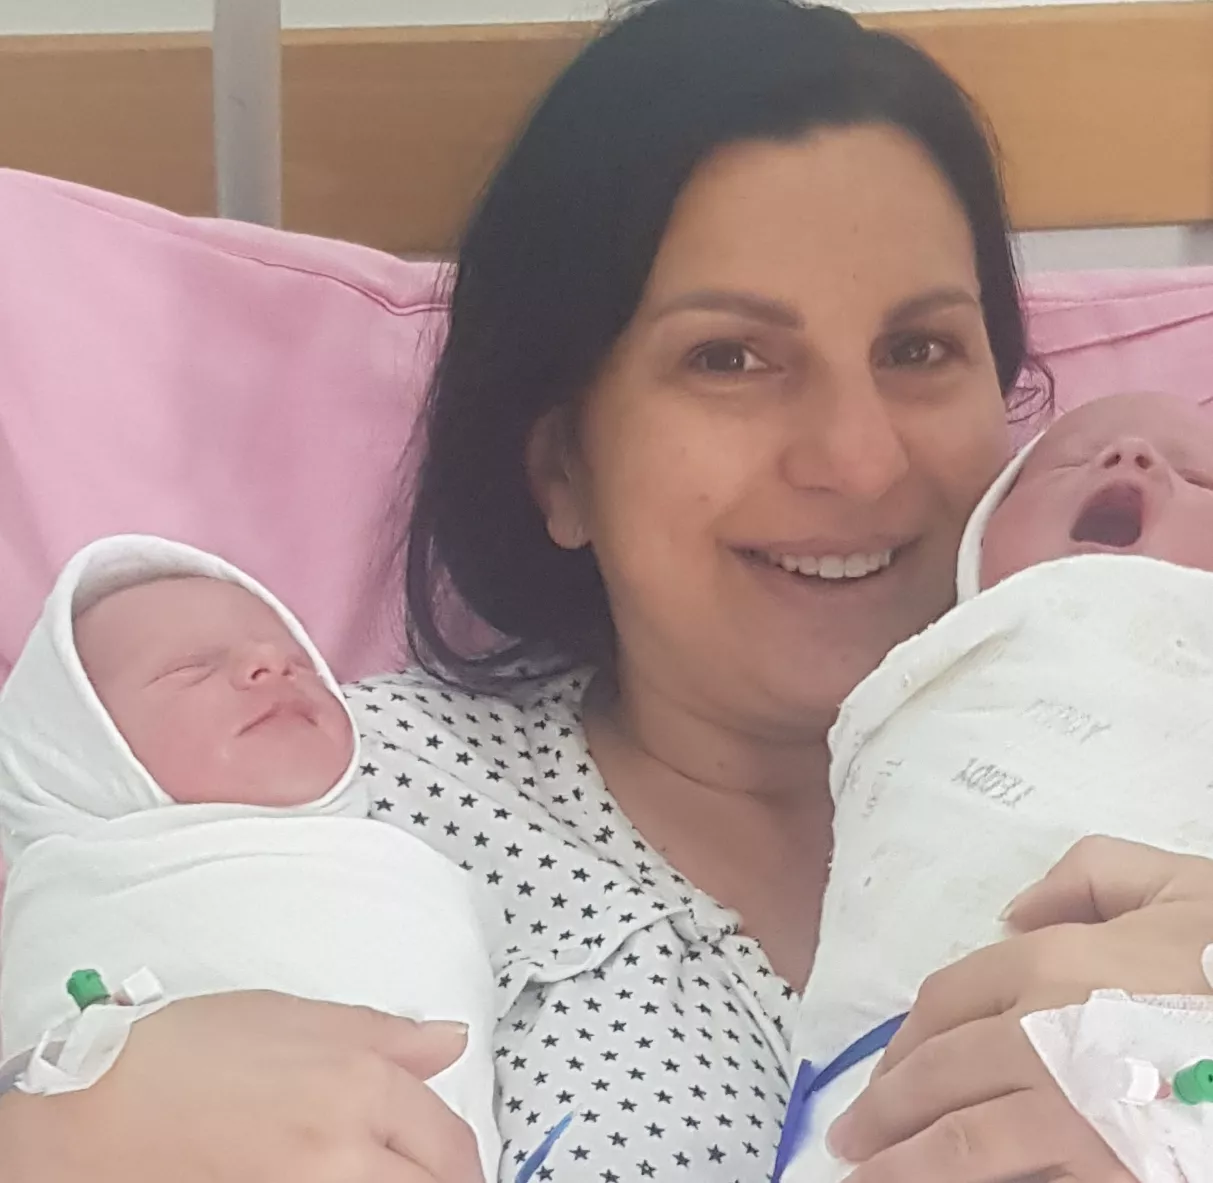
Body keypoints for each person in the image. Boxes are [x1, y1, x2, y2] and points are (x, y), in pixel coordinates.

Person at [1, 2, 1211, 1181]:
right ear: (561, 466)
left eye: (917, 350)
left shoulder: (1184, 791)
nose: (857, 458)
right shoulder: (325, 780)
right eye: (728, 358)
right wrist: (51, 1139)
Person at [787, 392, 1213, 1181]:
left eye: (1199, 479)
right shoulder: (945, 671)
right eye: (1061, 462)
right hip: (892, 1082)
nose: (1131, 457)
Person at [0, 536, 499, 1182]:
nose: (271, 662)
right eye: (190, 668)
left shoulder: (418, 850)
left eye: (301, 661)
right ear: (76, 759)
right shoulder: (79, 893)